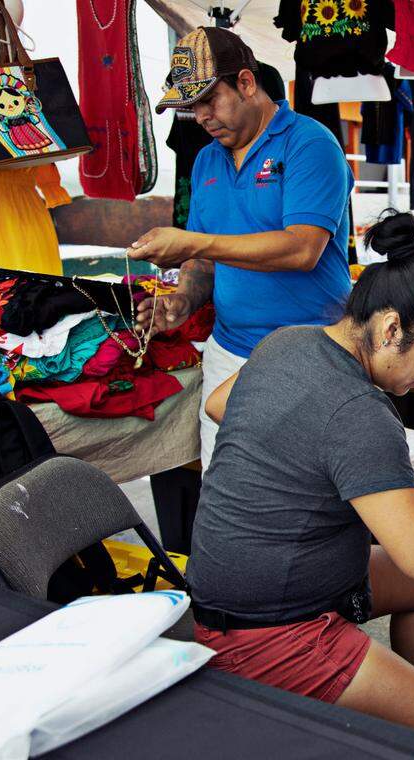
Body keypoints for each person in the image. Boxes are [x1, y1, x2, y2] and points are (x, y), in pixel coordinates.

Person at [186, 211, 414, 753]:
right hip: (264, 631)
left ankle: (402, 732)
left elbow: (221, 405)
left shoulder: (287, 342)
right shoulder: (360, 411)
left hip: (230, 590)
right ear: (391, 328)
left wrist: (313, 466)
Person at [130, 27, 354, 468]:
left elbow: (302, 249)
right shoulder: (207, 159)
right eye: (192, 106)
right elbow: (205, 261)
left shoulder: (310, 144)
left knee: (303, 492)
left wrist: (194, 241)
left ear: (247, 83)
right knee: (229, 490)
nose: (201, 116)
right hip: (229, 354)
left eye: (209, 99)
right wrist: (183, 299)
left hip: (311, 354)